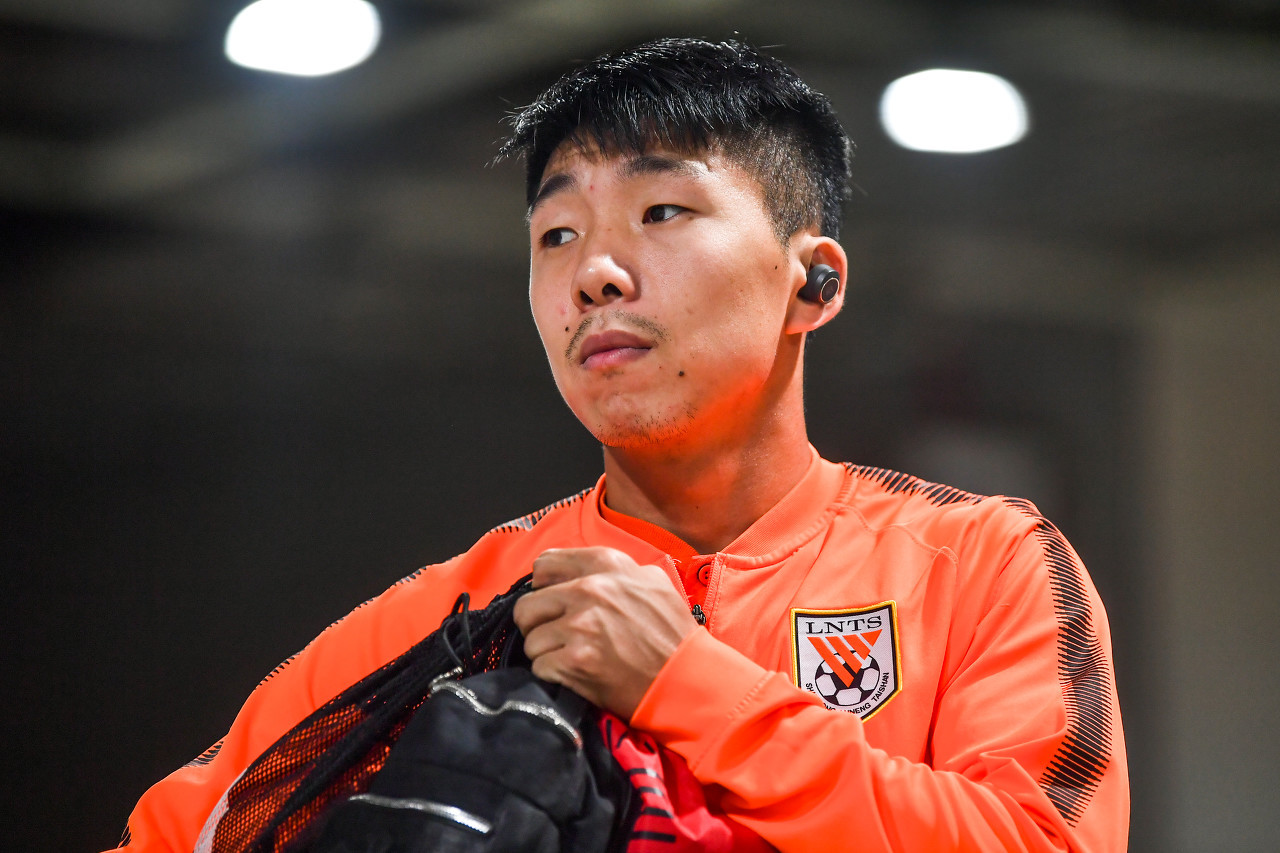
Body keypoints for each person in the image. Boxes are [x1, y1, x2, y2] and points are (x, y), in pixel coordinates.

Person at [109, 38, 1129, 852]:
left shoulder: (977, 563)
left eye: (662, 210)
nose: (594, 272)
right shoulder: (448, 621)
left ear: (810, 282)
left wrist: (684, 683)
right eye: (555, 234)